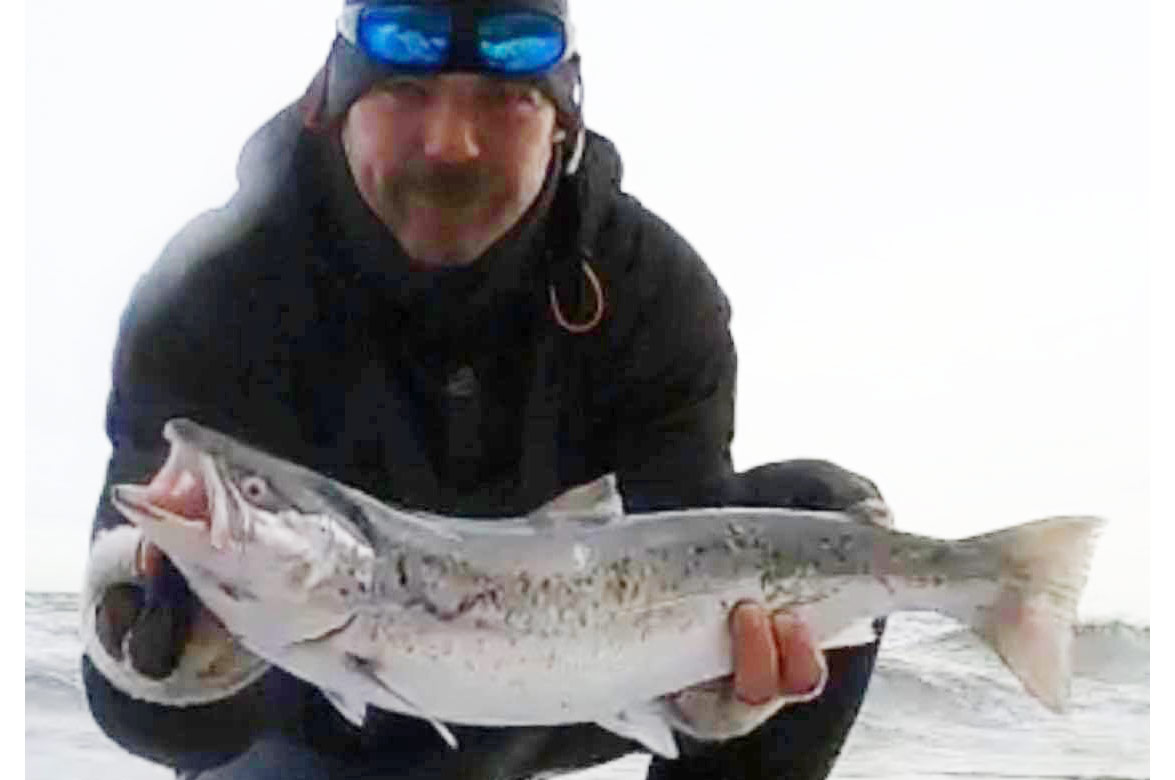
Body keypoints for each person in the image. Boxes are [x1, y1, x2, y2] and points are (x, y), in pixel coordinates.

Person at [80, 1, 890, 778]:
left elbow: (677, 519)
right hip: (306, 726)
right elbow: (147, 722)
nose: (450, 145)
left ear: (562, 125)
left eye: (505, 99)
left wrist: (707, 688)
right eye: (404, 90)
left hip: (568, 694)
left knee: (831, 525)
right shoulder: (213, 290)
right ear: (330, 104)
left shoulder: (652, 291)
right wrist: (171, 644)